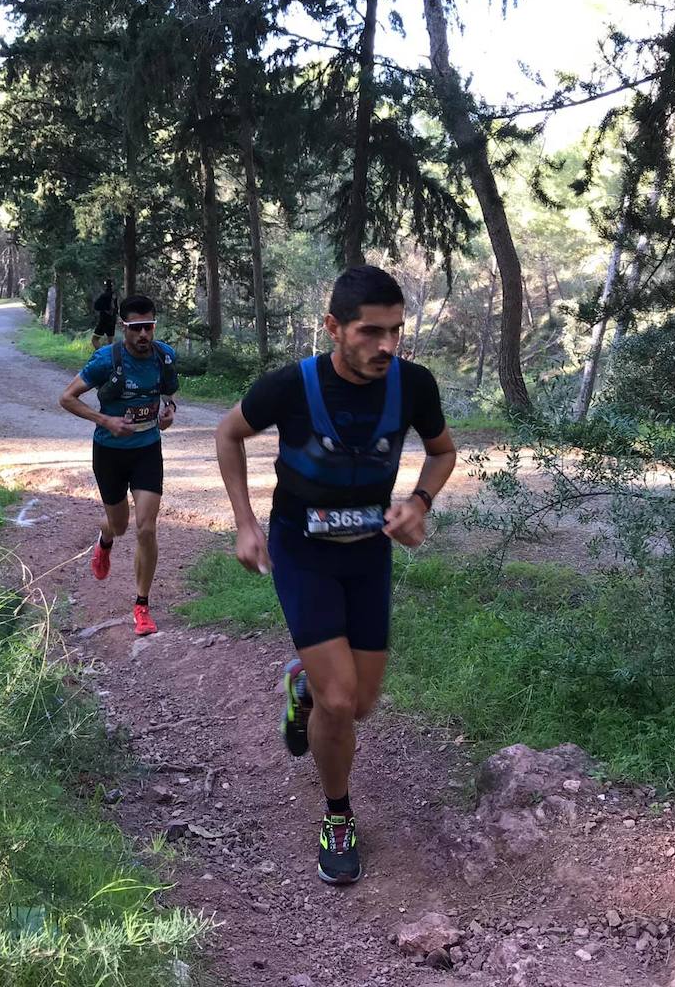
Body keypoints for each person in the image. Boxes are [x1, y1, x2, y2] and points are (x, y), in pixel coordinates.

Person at [214, 265, 456, 886]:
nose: (385, 346)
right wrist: (245, 522)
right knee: (342, 700)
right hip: (303, 552)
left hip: (367, 553)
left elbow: (442, 450)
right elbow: (228, 433)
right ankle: (338, 816)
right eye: (370, 332)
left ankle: (303, 686)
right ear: (334, 328)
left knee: (362, 703)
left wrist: (419, 503)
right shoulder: (292, 386)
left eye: (395, 332)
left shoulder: (414, 385)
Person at [60, 295, 180, 636]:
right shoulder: (105, 360)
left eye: (149, 326)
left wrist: (169, 410)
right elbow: (66, 398)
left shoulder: (164, 357)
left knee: (146, 527)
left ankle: (141, 605)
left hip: (147, 450)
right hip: (109, 453)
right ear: (123, 328)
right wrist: (105, 420)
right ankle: (105, 540)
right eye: (136, 328)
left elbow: (170, 392)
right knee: (121, 524)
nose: (144, 334)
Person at [91, 277, 117, 350]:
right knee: (110, 342)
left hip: (104, 320)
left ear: (105, 286)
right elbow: (116, 309)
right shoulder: (114, 296)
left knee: (94, 340)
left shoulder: (104, 296)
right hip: (112, 320)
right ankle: (111, 357)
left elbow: (96, 306)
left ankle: (102, 354)